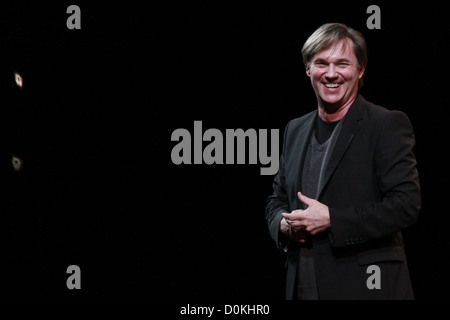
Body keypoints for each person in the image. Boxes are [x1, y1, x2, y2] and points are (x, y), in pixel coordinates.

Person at [265, 23, 421, 300]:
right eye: (321, 63)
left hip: (363, 288)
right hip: (302, 283)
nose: (332, 74)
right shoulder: (295, 129)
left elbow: (405, 206)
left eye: (342, 64)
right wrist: (284, 224)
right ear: (307, 68)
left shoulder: (386, 124)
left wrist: (332, 220)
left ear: (360, 70)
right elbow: (276, 199)